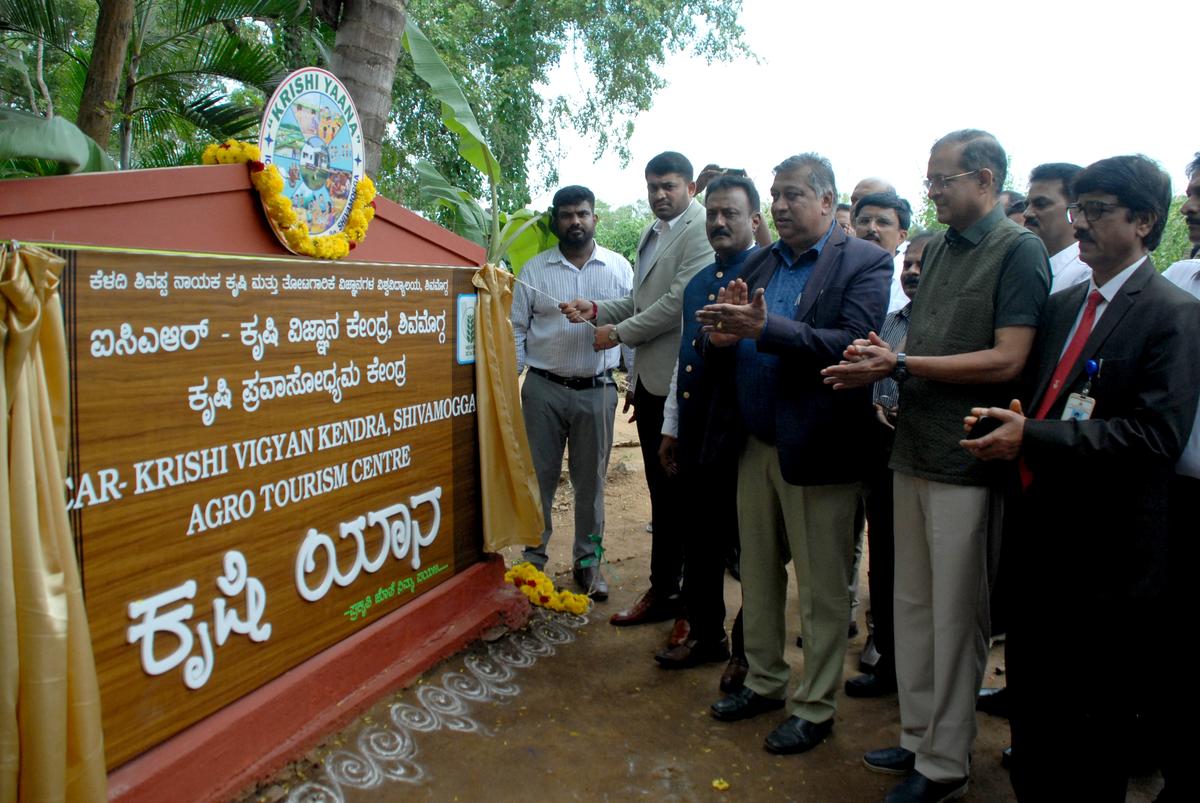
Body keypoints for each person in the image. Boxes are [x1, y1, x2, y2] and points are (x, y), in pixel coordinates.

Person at [962, 154, 1200, 802]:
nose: (1079, 223)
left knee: (1094, 731)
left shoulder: (1173, 313)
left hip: (1110, 562)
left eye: (1096, 211)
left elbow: (1155, 436)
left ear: (1145, 221)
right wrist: (1008, 424)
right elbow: (1041, 403)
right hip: (1041, 543)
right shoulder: (1064, 303)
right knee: (1035, 715)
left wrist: (1031, 435)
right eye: (1079, 209)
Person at [822, 129, 1049, 803]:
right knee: (913, 605)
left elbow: (1009, 358)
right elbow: (920, 340)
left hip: (969, 455)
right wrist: (883, 356)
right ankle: (920, 736)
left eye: (941, 180)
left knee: (956, 614)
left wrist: (902, 364)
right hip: (914, 446)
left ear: (984, 178)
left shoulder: (1020, 251)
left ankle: (946, 763)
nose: (931, 191)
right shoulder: (942, 247)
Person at [700, 153, 891, 757]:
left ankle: (815, 706)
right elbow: (734, 342)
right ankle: (763, 681)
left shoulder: (865, 261)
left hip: (821, 451)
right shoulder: (758, 261)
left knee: (822, 589)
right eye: (776, 196)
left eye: (793, 195)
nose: (779, 206)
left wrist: (765, 331)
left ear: (829, 201)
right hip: (755, 445)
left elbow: (852, 344)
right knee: (756, 576)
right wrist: (726, 339)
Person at [560, 152, 712, 627]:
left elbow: (676, 304)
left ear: (689, 186)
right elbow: (641, 299)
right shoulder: (654, 230)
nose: (659, 195)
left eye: (668, 186)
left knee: (688, 497)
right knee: (662, 494)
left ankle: (691, 604)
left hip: (683, 383)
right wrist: (600, 309)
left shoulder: (701, 227)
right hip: (649, 381)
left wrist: (619, 333)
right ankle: (663, 590)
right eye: (652, 187)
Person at [654, 174, 762, 686]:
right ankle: (705, 634)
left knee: (753, 550)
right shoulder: (699, 281)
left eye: (731, 214)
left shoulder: (768, 274)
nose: (719, 222)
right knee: (700, 541)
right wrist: (672, 426)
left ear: (753, 220)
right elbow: (684, 363)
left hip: (748, 437)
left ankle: (747, 651)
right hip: (699, 433)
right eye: (713, 213)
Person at [511, 185, 633, 599]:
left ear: (595, 218)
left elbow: (635, 325)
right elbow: (516, 328)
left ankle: (588, 564)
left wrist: (632, 378)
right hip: (543, 391)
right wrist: (512, 381)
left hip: (597, 392)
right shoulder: (534, 270)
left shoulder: (618, 269)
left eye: (582, 214)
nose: (575, 221)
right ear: (555, 220)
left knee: (591, 484)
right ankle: (532, 560)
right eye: (566, 215)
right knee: (538, 480)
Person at [844, 230, 931, 699]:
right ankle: (889, 661)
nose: (913, 272)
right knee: (887, 559)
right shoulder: (892, 321)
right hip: (883, 456)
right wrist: (880, 404)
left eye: (923, 264)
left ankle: (919, 677)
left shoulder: (951, 328)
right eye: (909, 264)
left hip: (930, 462)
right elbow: (876, 374)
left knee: (924, 572)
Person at [1156, 151, 1200, 803]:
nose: (1189, 205)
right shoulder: (1183, 278)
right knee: (1175, 644)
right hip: (1174, 491)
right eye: (1192, 190)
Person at [1022, 163, 1090, 292]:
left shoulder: (1086, 275)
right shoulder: (1023, 265)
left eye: (1041, 204)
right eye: (1027, 205)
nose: (1027, 213)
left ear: (1075, 210)